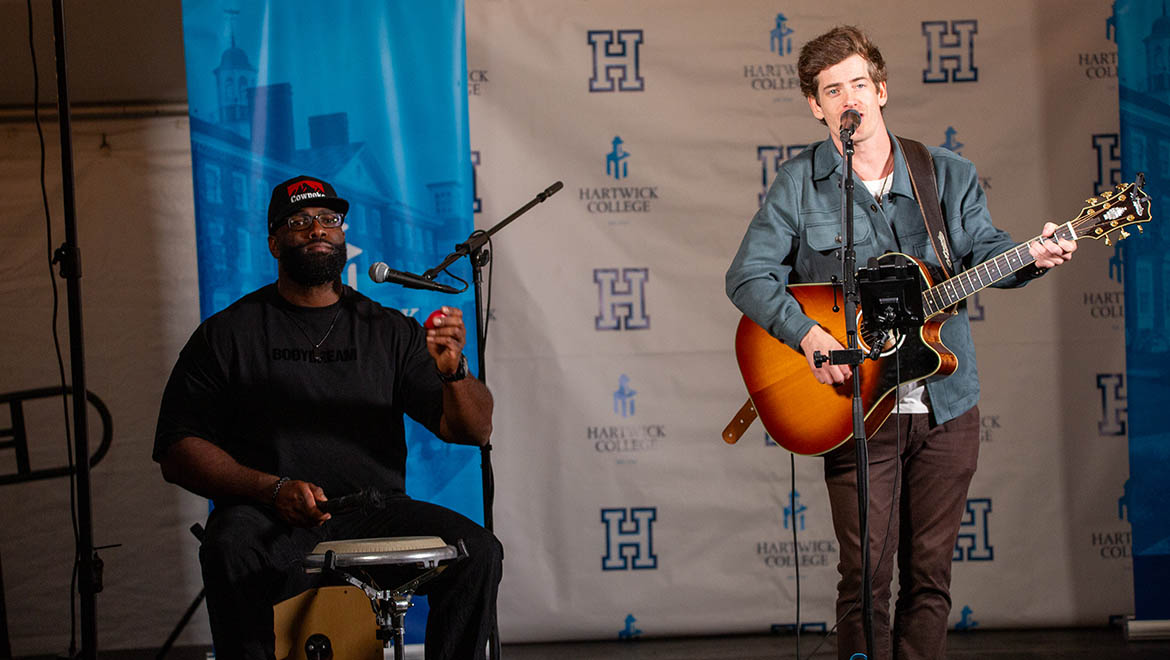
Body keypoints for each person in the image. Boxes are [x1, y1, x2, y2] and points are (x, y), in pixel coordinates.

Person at [725, 26, 1075, 660]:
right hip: (856, 407)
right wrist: (807, 336)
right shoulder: (799, 184)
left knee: (930, 581)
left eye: (859, 84)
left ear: (880, 91)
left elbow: (987, 251)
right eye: (833, 90)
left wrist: (1035, 253)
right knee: (864, 583)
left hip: (946, 405)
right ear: (815, 104)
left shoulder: (946, 174)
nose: (847, 98)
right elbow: (748, 276)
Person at [153, 174, 502, 660]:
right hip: (267, 516)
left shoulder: (389, 330)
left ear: (343, 235)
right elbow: (177, 449)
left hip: (374, 512)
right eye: (299, 221)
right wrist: (271, 490)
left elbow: (473, 431)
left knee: (478, 552)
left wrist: (454, 372)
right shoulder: (227, 334)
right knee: (227, 546)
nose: (316, 229)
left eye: (328, 219)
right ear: (275, 243)